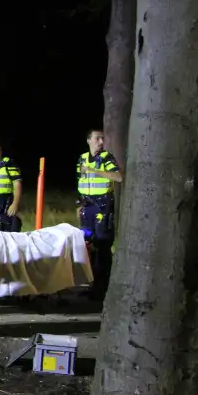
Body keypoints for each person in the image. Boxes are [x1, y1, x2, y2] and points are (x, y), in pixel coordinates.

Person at [77, 129, 123, 300]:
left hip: (102, 207)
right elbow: (80, 181)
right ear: (88, 140)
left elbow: (118, 177)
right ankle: (92, 286)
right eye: (98, 139)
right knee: (88, 245)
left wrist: (95, 171)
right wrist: (79, 205)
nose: (101, 142)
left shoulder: (106, 158)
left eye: (103, 139)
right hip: (86, 207)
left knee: (103, 246)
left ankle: (103, 288)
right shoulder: (82, 159)